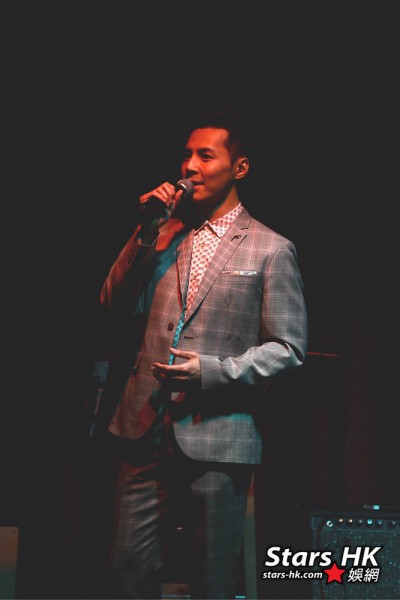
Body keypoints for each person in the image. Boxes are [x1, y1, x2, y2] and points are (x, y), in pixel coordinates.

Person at [99, 106, 308, 599]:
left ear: (240, 167)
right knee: (127, 566)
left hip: (218, 430)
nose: (189, 166)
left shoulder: (270, 248)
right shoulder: (164, 235)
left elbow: (288, 348)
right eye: (187, 154)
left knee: (211, 576)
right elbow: (112, 301)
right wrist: (146, 230)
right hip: (144, 427)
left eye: (205, 155)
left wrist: (212, 371)